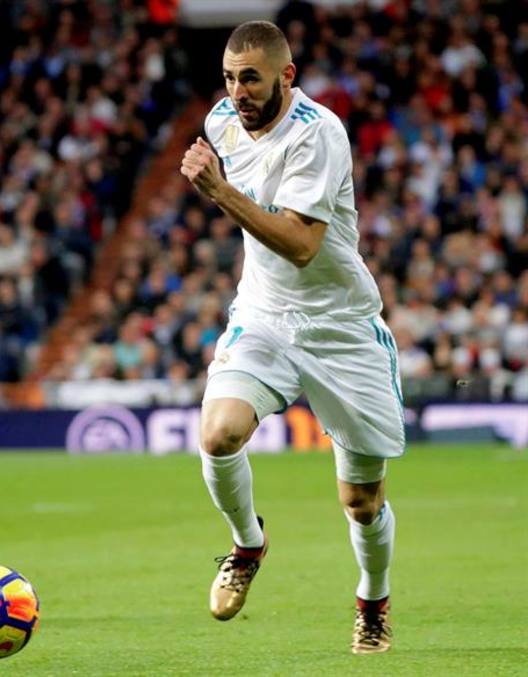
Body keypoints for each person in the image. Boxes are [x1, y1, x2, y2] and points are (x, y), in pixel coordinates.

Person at [180, 21, 402, 654]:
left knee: (360, 501)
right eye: (228, 77)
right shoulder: (221, 121)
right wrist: (220, 185)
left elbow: (304, 245)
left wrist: (218, 190)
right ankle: (248, 545)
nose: (237, 90)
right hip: (267, 316)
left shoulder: (319, 134)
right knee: (219, 433)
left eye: (250, 77)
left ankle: (372, 599)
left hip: (340, 329)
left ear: (286, 75)